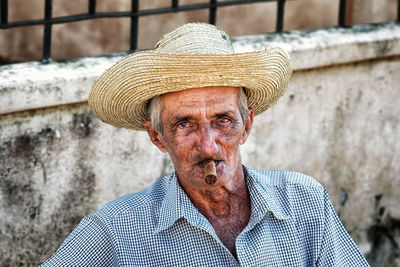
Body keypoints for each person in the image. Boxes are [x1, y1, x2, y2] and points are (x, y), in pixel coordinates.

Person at [41, 23, 369, 266]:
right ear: (157, 137)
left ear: (247, 125)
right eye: (185, 124)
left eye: (222, 120)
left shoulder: (304, 201)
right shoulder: (117, 229)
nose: (209, 147)